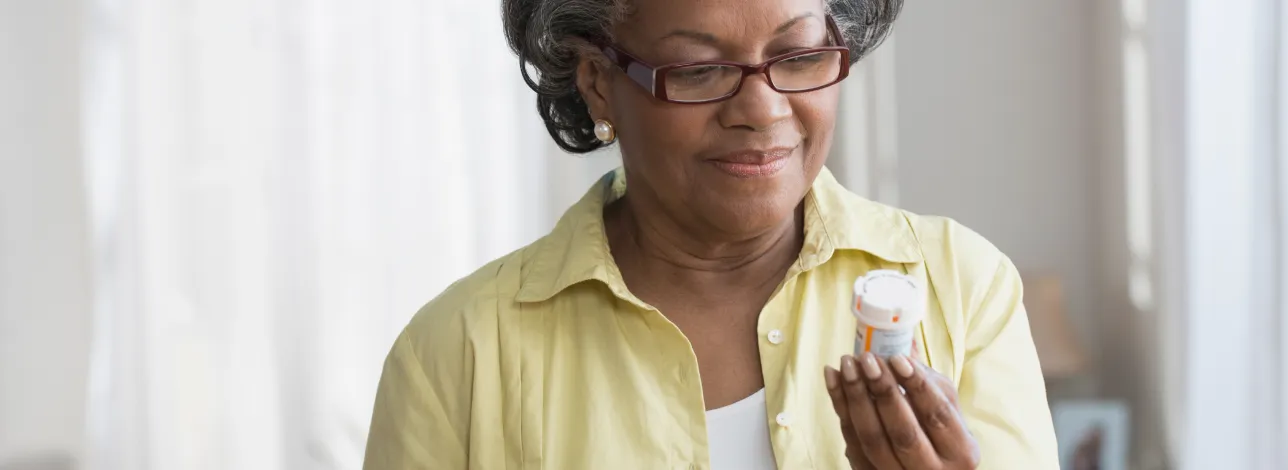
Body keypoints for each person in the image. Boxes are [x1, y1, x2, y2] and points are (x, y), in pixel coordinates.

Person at [363, 0, 1058, 468]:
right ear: (599, 82)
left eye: (799, 57)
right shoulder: (454, 354)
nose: (761, 111)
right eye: (699, 70)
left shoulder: (960, 287)